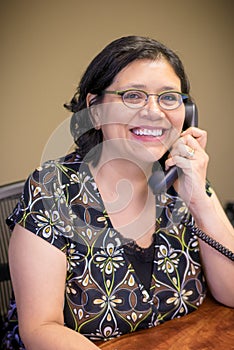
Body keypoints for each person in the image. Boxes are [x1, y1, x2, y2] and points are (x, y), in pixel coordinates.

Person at [1, 35, 234, 350]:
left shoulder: (185, 179)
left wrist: (200, 201)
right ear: (95, 111)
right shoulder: (52, 189)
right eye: (133, 96)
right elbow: (41, 328)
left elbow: (231, 293)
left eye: (169, 97)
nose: (154, 112)